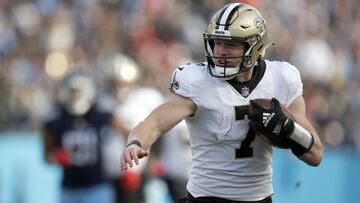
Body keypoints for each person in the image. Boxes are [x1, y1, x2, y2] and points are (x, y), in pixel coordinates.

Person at [120, 3, 323, 203]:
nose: (221, 51)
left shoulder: (282, 78)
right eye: (217, 42)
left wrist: (287, 128)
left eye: (231, 44)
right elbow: (152, 124)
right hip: (207, 197)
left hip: (259, 198)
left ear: (254, 46)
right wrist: (135, 143)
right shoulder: (197, 82)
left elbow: (315, 155)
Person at [43, 72, 129, 203]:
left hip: (97, 187)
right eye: (72, 92)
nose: (75, 96)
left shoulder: (100, 115)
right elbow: (46, 156)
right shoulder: (57, 120)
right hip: (69, 189)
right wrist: (55, 157)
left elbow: (128, 133)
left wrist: (128, 162)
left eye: (79, 92)